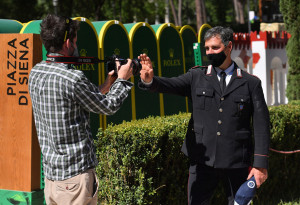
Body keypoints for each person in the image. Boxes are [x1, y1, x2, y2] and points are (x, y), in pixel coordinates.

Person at [139, 26, 270, 205]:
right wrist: (150, 80)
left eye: (215, 48)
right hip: (202, 161)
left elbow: (261, 125)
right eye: (207, 48)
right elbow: (171, 85)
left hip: (236, 161)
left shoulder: (250, 83)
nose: (210, 52)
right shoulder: (197, 76)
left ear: (229, 47)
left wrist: (260, 164)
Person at [28, 14, 133, 205]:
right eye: (75, 41)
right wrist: (123, 80)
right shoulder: (73, 78)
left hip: (52, 179)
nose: (76, 46)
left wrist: (107, 84)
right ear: (68, 42)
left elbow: (80, 100)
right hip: (75, 179)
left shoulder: (35, 73)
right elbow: (108, 106)